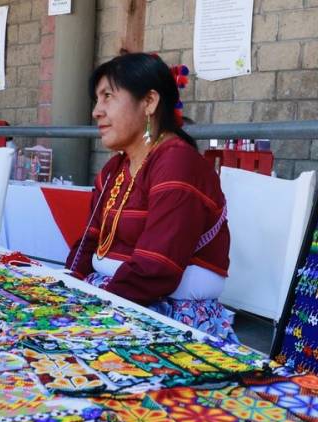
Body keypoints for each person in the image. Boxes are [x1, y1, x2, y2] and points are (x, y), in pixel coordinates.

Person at [65, 53, 235, 341]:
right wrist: (65, 287)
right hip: (114, 295)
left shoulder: (176, 164)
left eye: (108, 97)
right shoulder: (112, 171)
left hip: (158, 309)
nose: (96, 111)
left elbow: (156, 267)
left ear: (149, 103)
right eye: (97, 99)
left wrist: (91, 309)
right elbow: (89, 242)